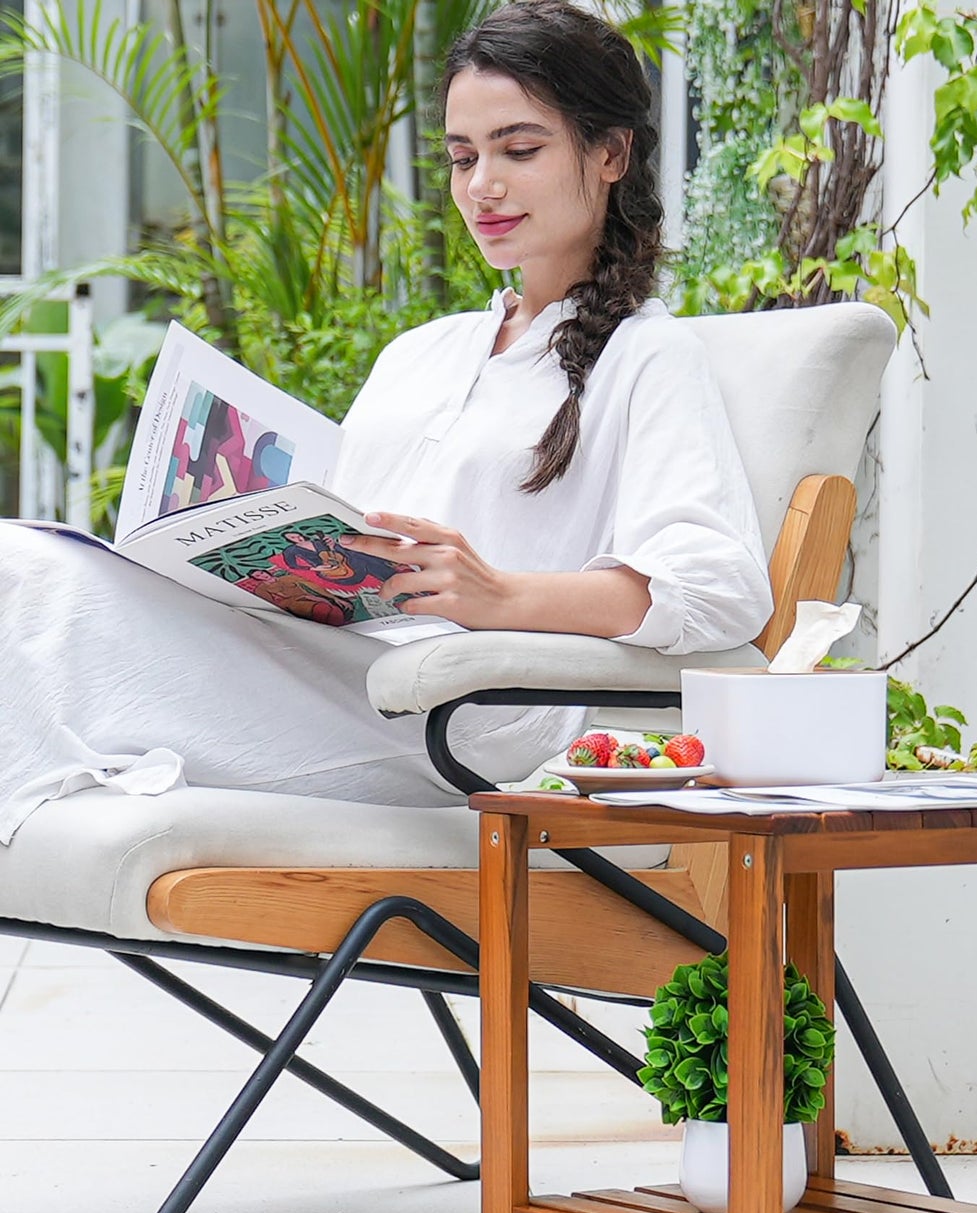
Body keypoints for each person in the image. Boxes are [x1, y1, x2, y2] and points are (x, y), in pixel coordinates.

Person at [0, 0, 772, 847]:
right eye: (461, 156)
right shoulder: (422, 353)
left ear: (611, 151)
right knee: (28, 561)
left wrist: (501, 596)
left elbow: (715, 589)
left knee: (29, 577)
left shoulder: (646, 357)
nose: (483, 185)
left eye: (520, 149)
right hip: (333, 669)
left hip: (472, 718)